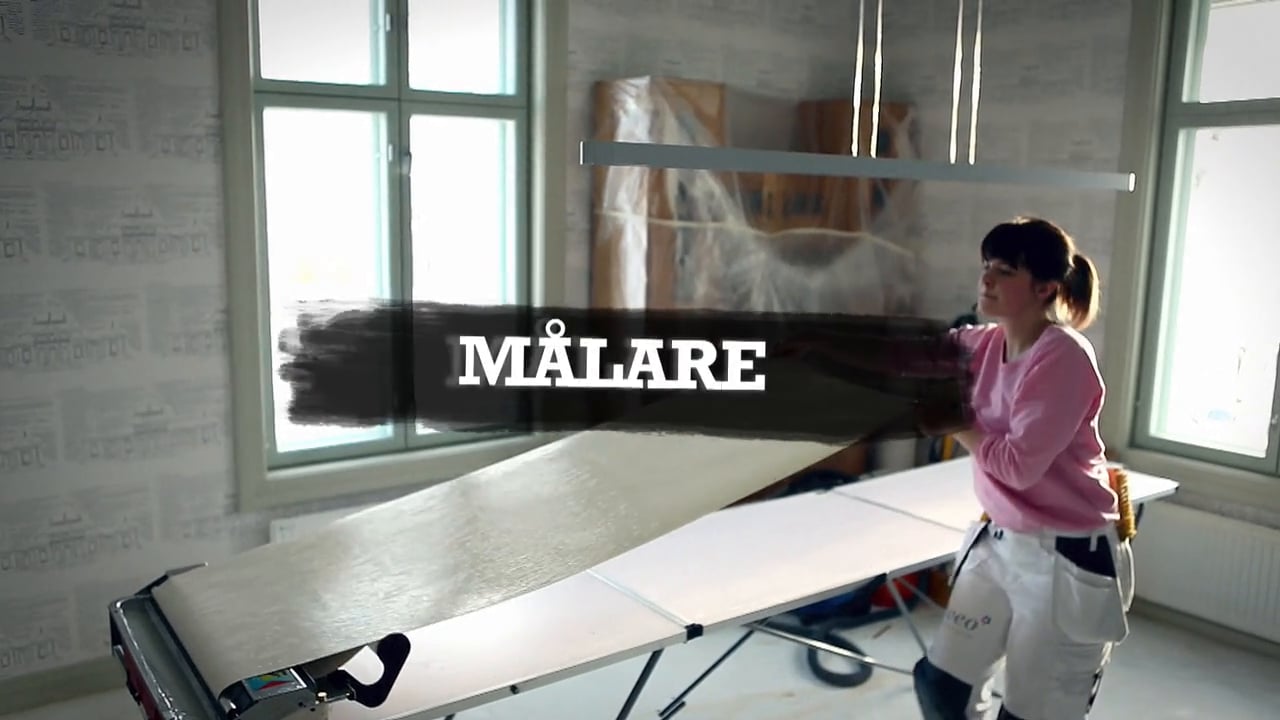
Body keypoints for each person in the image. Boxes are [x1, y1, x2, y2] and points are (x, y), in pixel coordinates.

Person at [912, 216, 1135, 720]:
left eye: (1005, 271)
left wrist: (953, 420)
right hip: (1001, 541)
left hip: (1066, 556)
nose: (986, 279)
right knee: (943, 688)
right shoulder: (984, 344)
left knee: (1034, 713)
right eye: (986, 266)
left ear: (1045, 288)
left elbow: (1017, 468)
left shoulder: (1064, 357)